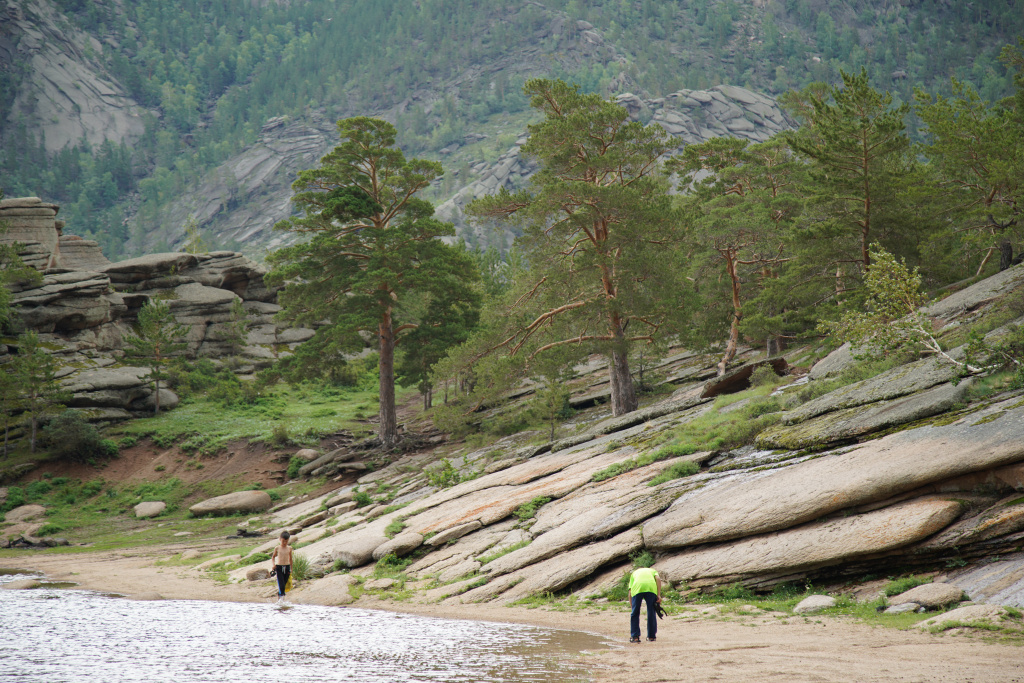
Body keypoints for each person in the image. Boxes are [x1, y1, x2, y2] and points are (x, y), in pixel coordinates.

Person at [628, 565, 661, 643]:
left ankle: (635, 637)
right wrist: (658, 595)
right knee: (651, 612)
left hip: (637, 588)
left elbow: (630, 592)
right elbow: (658, 579)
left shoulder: (634, 573)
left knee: (635, 613)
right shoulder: (652, 570)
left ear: (638, 568)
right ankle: (651, 637)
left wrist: (632, 605)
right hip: (650, 589)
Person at [270, 530, 293, 602]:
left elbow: (290, 559)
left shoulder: (289, 548)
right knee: (281, 585)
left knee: (285, 584)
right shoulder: (277, 548)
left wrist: (291, 569)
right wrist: (273, 565)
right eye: (283, 541)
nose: (284, 543)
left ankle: (280, 598)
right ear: (280, 539)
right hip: (279, 567)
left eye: (286, 541)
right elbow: (273, 557)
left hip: (287, 567)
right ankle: (281, 600)